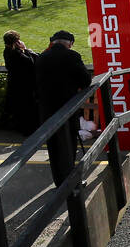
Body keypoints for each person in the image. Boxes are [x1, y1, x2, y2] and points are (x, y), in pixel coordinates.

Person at [36, 30, 92, 176]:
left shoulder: (42, 57)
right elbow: (85, 80)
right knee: (68, 143)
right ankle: (69, 179)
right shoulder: (72, 56)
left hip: (47, 108)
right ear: (70, 44)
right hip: (67, 106)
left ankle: (58, 178)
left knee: (53, 145)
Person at [3, 29, 39, 135]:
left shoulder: (7, 51)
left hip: (14, 85)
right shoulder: (16, 53)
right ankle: (28, 130)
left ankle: (21, 128)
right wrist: (25, 49)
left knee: (19, 109)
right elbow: (30, 62)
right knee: (27, 108)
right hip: (24, 86)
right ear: (16, 42)